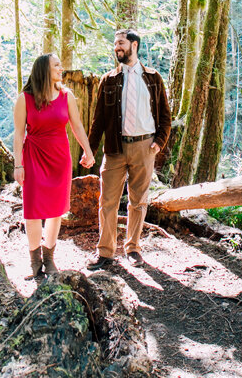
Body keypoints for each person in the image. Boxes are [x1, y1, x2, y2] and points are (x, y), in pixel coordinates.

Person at [86, 29, 172, 270]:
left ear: (134, 45)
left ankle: (133, 249)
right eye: (115, 44)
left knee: (138, 201)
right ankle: (105, 253)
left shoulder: (154, 78)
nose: (117, 48)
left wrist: (159, 143)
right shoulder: (109, 80)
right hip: (114, 148)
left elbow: (165, 116)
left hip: (145, 148)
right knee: (107, 201)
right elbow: (98, 121)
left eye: (121, 43)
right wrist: (90, 150)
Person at [13, 54, 95, 279]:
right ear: (44, 71)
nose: (61, 68)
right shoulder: (25, 99)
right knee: (32, 210)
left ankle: (49, 259)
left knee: (55, 211)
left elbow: (77, 126)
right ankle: (34, 262)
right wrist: (18, 165)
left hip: (60, 159)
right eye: (56, 65)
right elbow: (19, 134)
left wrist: (88, 151)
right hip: (33, 157)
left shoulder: (66, 96)